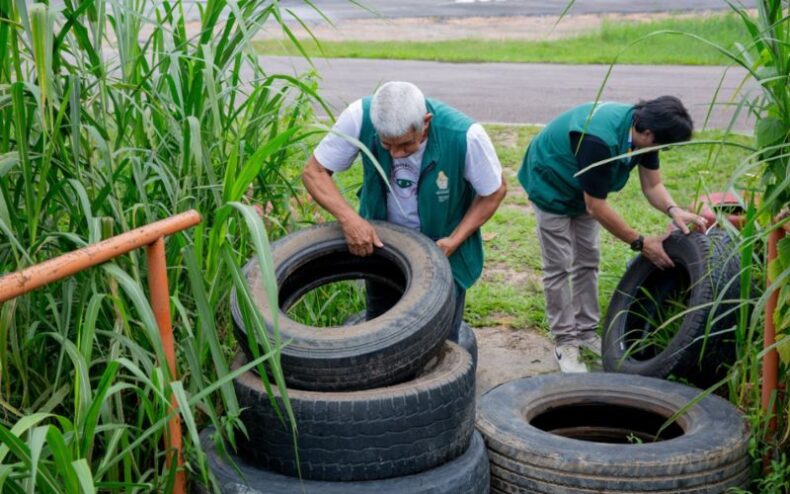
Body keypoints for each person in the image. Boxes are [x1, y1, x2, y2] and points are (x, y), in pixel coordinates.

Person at [302, 81, 507, 341]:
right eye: (387, 146)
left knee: (439, 341)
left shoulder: (464, 135)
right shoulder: (359, 116)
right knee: (378, 331)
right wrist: (350, 219)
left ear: (426, 123)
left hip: (442, 250)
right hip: (382, 245)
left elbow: (495, 190)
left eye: (406, 145)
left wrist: (454, 240)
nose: (397, 155)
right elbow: (314, 172)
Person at [518, 96, 707, 373]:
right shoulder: (598, 139)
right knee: (558, 265)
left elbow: (653, 186)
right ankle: (566, 341)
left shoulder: (645, 131)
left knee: (588, 259)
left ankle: (585, 333)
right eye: (662, 146)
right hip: (552, 183)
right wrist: (640, 243)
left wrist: (674, 209)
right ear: (648, 134)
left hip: (586, 188)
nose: (662, 151)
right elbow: (595, 206)